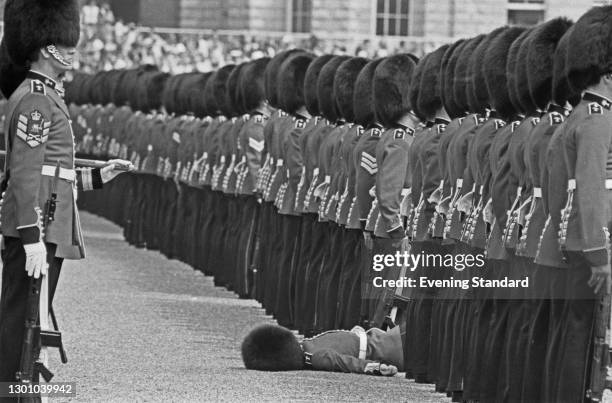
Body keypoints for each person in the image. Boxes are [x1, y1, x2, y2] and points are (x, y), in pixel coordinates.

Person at [0, 0, 132, 385]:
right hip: (38, 224)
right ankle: (14, 393)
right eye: (64, 40)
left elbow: (53, 174)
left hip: (47, 218)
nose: (73, 47)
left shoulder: (44, 94)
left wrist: (98, 177)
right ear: (45, 46)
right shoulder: (38, 100)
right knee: (18, 322)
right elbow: (25, 175)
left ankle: (21, 390)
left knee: (31, 320)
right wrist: (31, 238)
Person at [241, 324, 404, 375]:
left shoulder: (305, 347)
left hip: (382, 340)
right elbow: (344, 362)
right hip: (388, 347)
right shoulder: (314, 357)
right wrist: (375, 368)